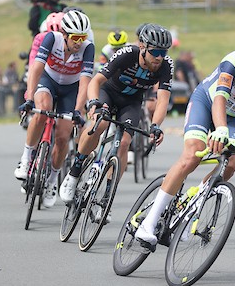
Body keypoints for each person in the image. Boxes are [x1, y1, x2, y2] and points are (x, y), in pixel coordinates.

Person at [133, 26, 235, 249]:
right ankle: (148, 224)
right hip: (206, 103)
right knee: (192, 156)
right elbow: (219, 97)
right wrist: (220, 129)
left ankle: (190, 210)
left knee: (231, 163)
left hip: (234, 116)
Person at [59, 23, 174, 207]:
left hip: (132, 102)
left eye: (164, 53)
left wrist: (156, 126)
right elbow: (96, 81)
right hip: (108, 93)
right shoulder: (127, 54)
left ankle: (106, 197)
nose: (159, 58)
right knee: (101, 124)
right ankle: (74, 171)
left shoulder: (166, 65)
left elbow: (162, 100)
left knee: (125, 143)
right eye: (155, 52)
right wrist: (94, 103)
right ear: (143, 47)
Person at [15, 10, 94, 208]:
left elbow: (85, 83)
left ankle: (52, 180)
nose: (79, 42)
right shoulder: (52, 38)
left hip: (71, 88)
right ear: (65, 34)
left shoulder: (87, 48)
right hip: (48, 80)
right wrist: (29, 97)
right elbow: (36, 68)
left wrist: (78, 111)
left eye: (82, 37)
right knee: (42, 110)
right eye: (75, 38)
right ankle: (26, 159)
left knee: (62, 137)